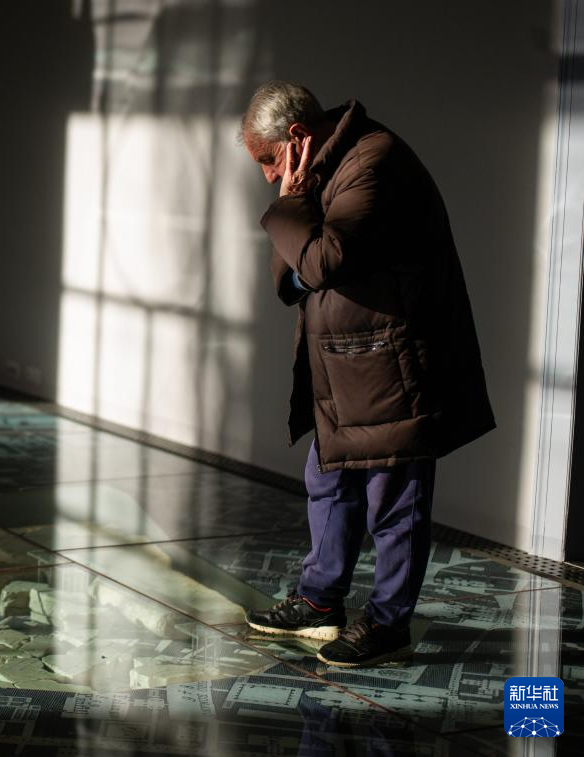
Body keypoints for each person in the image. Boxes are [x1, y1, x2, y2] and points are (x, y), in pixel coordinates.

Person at [239, 81, 495, 667]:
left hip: (392, 367)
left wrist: (293, 208)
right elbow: (291, 278)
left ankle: (387, 622)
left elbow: (322, 261)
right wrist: (298, 220)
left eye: (268, 161)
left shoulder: (374, 162)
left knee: (394, 501)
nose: (271, 177)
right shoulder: (320, 173)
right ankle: (319, 601)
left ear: (297, 137)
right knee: (328, 485)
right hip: (341, 362)